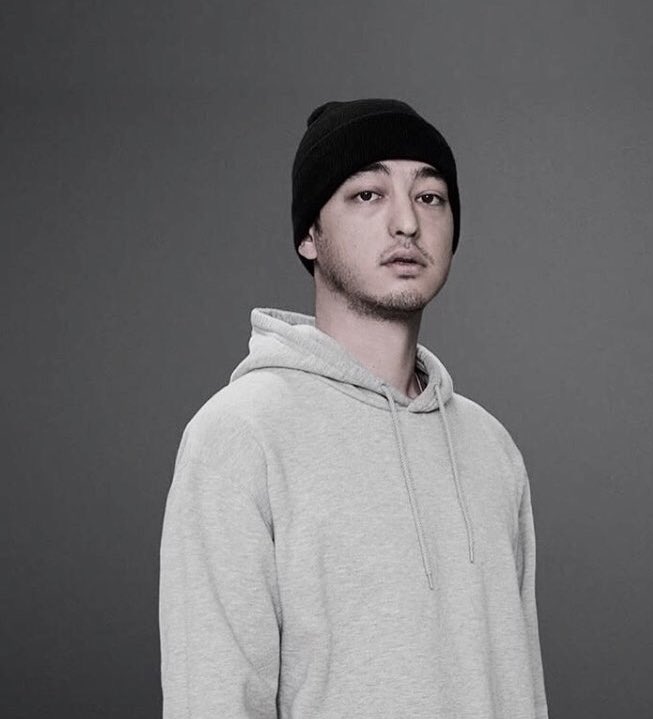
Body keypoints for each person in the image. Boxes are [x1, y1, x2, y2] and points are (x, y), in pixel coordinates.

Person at [159, 98, 549, 718]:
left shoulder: (490, 447)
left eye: (430, 197)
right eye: (368, 194)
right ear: (310, 235)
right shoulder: (240, 435)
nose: (407, 223)